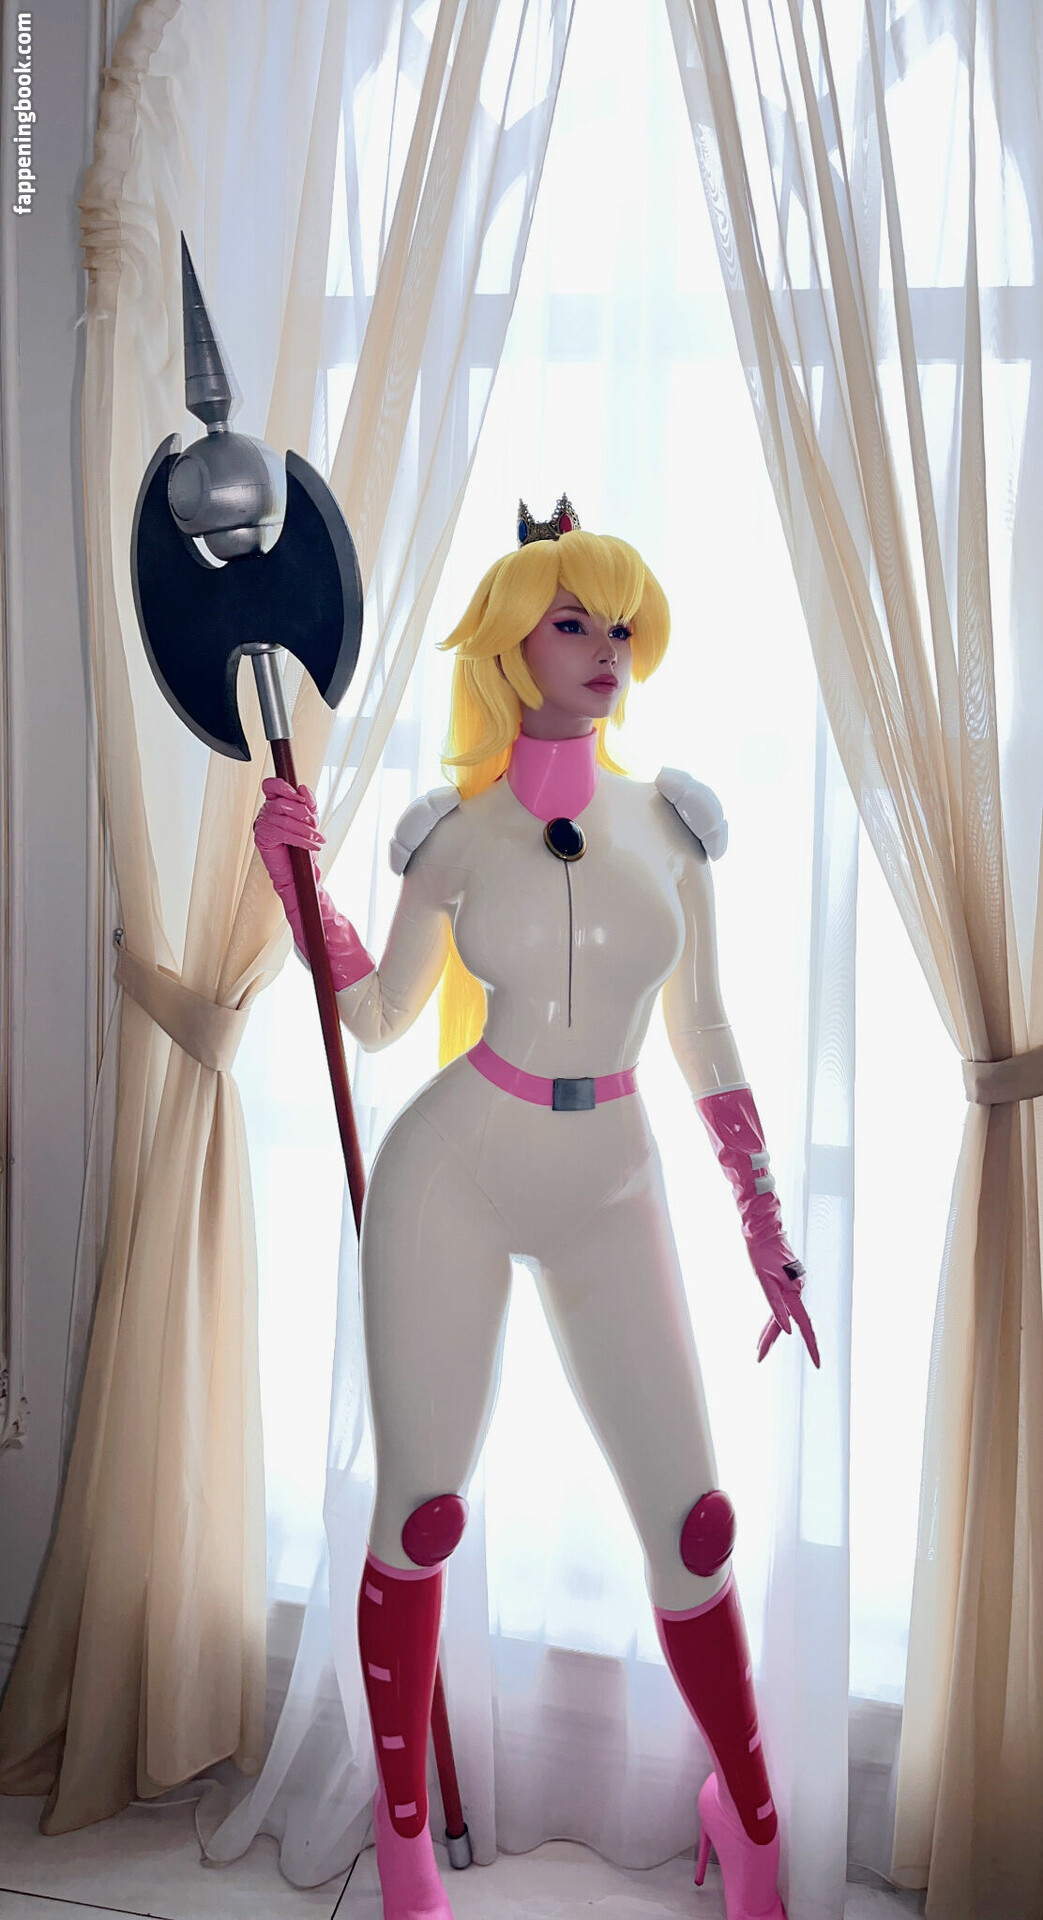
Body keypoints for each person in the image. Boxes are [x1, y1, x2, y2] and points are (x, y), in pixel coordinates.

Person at [254, 499, 818, 1920]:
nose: (606, 647)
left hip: (614, 1172)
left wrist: (763, 1223)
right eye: (574, 622)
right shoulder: (454, 836)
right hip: (457, 1166)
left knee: (695, 1523)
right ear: (514, 644)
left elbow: (708, 1034)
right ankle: (401, 1846)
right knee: (425, 1510)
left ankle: (749, 1820)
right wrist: (299, 891)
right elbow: (381, 1015)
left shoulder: (673, 827)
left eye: (620, 624)